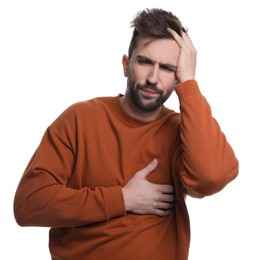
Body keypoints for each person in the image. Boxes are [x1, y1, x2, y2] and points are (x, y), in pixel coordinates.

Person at [13, 8, 239, 260]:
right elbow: (29, 205)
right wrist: (122, 199)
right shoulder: (79, 118)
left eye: (167, 68)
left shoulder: (181, 132)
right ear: (126, 64)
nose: (153, 78)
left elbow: (212, 177)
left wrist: (189, 84)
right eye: (145, 62)